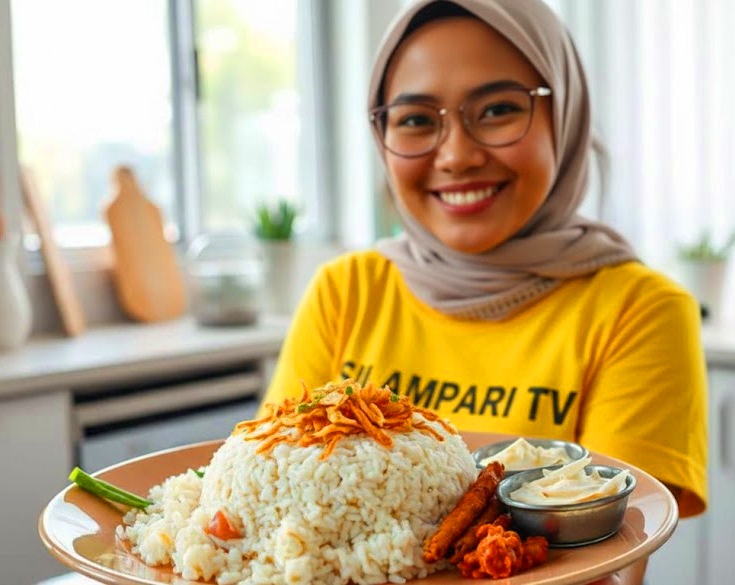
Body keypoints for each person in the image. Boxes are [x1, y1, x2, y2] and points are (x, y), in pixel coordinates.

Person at [261, 0, 707, 580]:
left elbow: (608, 566)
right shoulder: (346, 291)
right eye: (417, 119)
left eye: (497, 109)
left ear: (563, 116)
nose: (457, 156)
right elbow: (271, 508)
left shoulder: (639, 310)